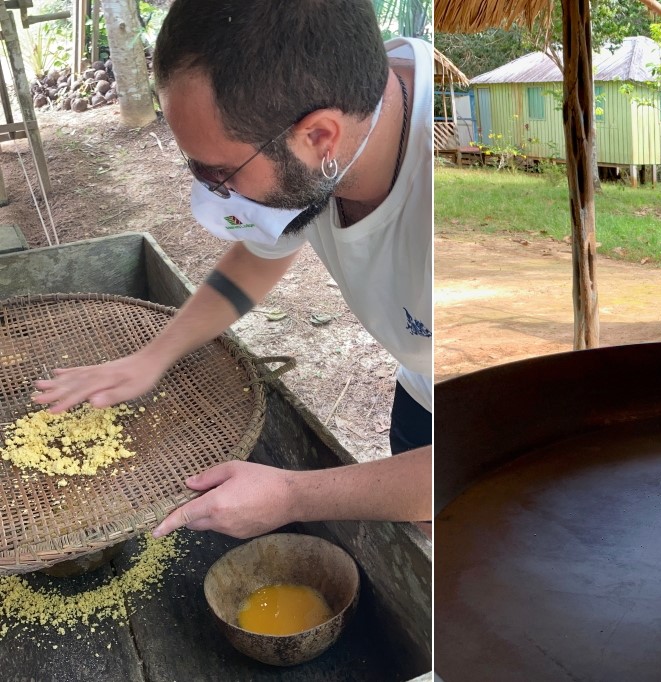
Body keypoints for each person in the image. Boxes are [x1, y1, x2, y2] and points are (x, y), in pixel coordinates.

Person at [32, 0, 432, 538]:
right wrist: (154, 357)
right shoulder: (330, 106)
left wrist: (291, 494)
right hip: (423, 394)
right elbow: (263, 248)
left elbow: (491, 451)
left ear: (319, 137)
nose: (213, 196)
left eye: (220, 173)